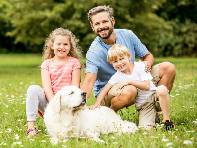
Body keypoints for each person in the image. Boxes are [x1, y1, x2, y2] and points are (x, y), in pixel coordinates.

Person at [81, 5, 176, 112]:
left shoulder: (128, 34)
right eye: (97, 24)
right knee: (130, 90)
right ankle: (109, 115)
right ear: (92, 26)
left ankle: (155, 107)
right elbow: (89, 81)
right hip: (109, 90)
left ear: (112, 21)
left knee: (168, 67)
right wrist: (80, 104)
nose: (101, 26)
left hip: (135, 78)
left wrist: (147, 65)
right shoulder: (94, 51)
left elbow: (147, 56)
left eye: (104, 22)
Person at [91, 44, 174, 129]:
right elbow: (106, 89)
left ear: (129, 57)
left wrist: (129, 81)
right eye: (115, 61)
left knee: (162, 89)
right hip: (144, 105)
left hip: (155, 97)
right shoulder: (117, 76)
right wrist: (97, 103)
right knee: (145, 129)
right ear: (111, 63)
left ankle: (167, 120)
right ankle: (152, 118)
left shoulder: (141, 66)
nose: (119, 63)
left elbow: (147, 86)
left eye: (121, 59)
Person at [26, 28, 82, 136]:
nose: (62, 47)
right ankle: (31, 128)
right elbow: (47, 88)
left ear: (70, 47)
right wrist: (54, 105)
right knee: (33, 89)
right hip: (50, 103)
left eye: (65, 44)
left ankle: (64, 122)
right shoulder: (46, 64)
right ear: (52, 45)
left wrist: (65, 105)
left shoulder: (74, 63)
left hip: (68, 103)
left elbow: (75, 88)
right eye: (58, 44)